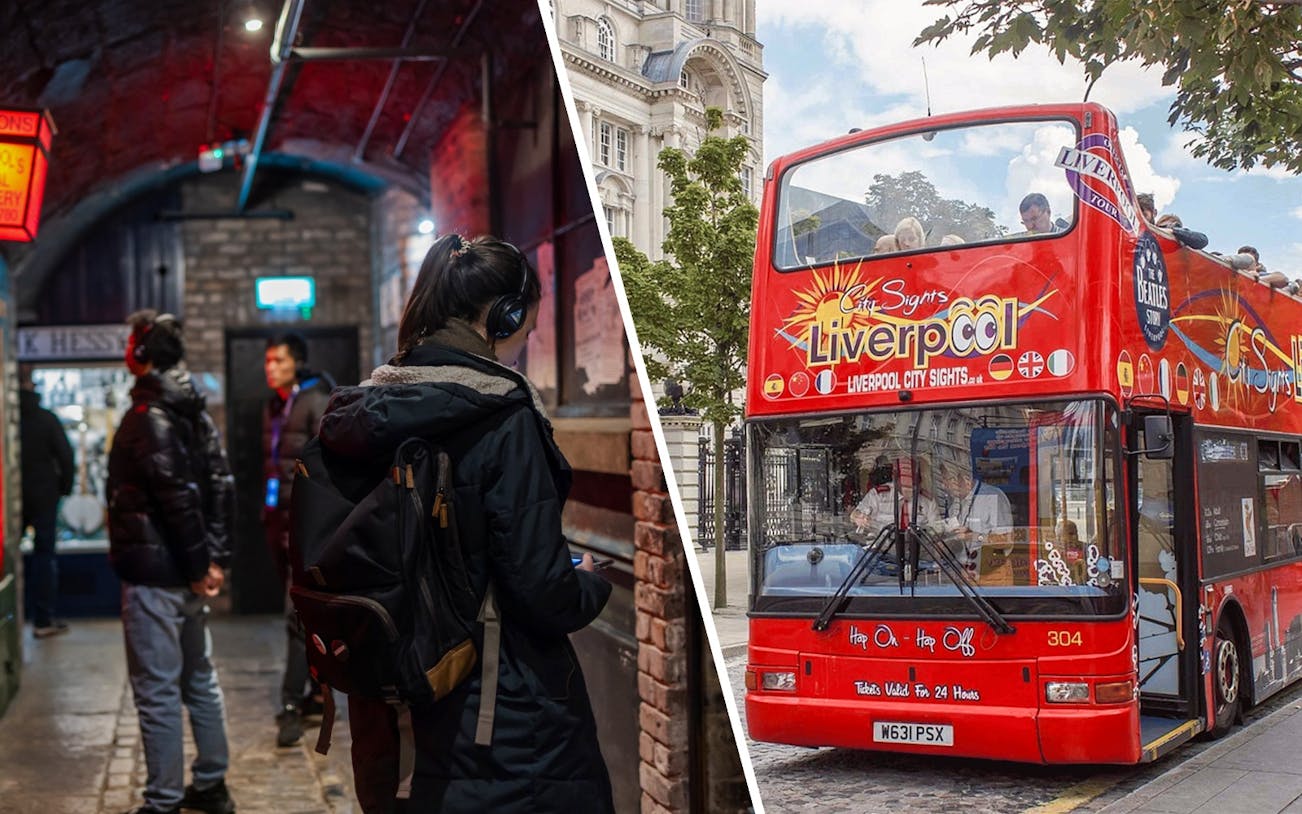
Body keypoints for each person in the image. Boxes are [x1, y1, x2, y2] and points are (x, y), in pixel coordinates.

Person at [317, 234, 614, 812]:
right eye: (528, 315)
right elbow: (540, 589)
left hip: (396, 701)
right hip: (501, 716)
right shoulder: (504, 418)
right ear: (504, 312)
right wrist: (589, 579)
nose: (529, 332)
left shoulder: (367, 410)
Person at [106, 310, 236, 814]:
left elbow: (179, 499)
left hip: (156, 576)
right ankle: (210, 783)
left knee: (158, 691)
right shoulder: (192, 411)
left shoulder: (149, 417)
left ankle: (162, 801)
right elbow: (221, 488)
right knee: (198, 679)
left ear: (140, 354)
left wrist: (205, 564)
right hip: (183, 574)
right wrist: (213, 561)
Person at [261, 332, 333, 747]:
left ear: (297, 362)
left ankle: (291, 702)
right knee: (299, 617)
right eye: (267, 360)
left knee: (296, 616)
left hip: (305, 526)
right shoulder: (274, 405)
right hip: (279, 521)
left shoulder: (314, 400)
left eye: (277, 360)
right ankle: (312, 694)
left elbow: (323, 467)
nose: (269, 367)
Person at [18, 363, 75, 638]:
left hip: (13, 497)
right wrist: (64, 488)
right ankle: (42, 619)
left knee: (7, 557)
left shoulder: (10, 420)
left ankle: (14, 616)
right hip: (44, 496)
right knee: (45, 556)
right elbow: (66, 456)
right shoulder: (46, 419)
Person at [940, 462, 1013, 569]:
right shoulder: (954, 502)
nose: (943, 485)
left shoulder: (992, 497)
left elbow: (1006, 540)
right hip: (965, 572)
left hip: (992, 572)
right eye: (943, 480)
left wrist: (974, 536)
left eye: (948, 480)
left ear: (965, 478)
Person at [849, 457, 938, 537]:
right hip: (881, 551)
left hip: (919, 552)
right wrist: (858, 517)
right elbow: (855, 516)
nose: (909, 490)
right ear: (894, 479)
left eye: (913, 486)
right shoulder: (878, 495)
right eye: (905, 486)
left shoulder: (928, 501)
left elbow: (937, 533)